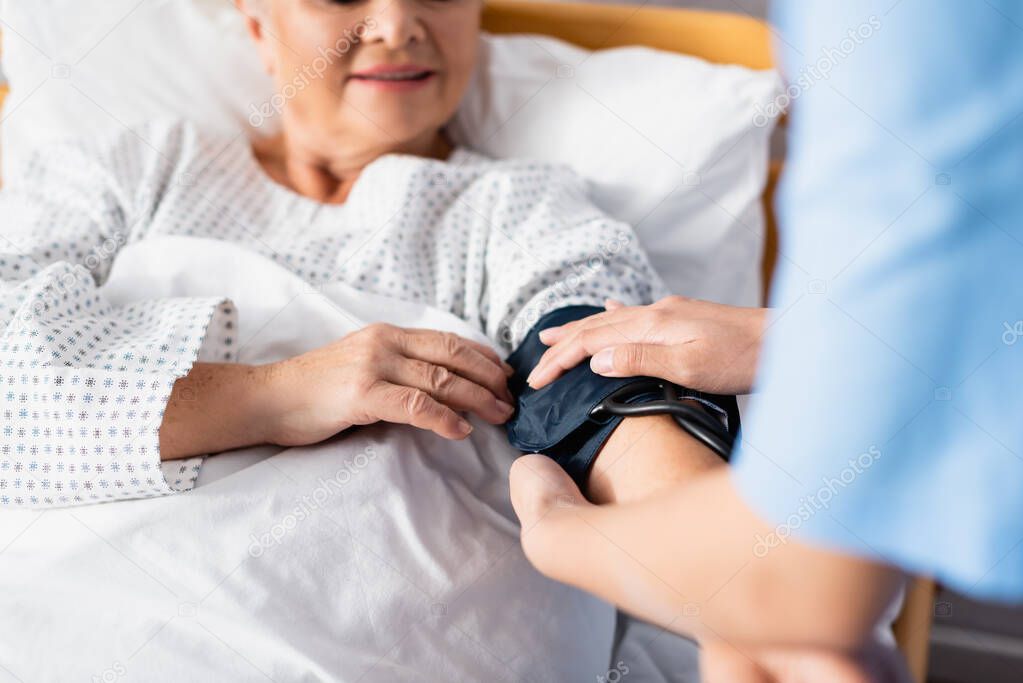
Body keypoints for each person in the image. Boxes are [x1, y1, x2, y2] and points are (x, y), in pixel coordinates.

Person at [0, 0, 733, 510]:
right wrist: (274, 393)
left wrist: (716, 550)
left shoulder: (517, 209)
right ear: (257, 21)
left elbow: (597, 381)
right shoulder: (128, 175)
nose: (397, 24)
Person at [509, 1, 1023, 681]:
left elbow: (788, 581)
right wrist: (790, 340)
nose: (395, 25)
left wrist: (557, 532)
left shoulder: (521, 209)